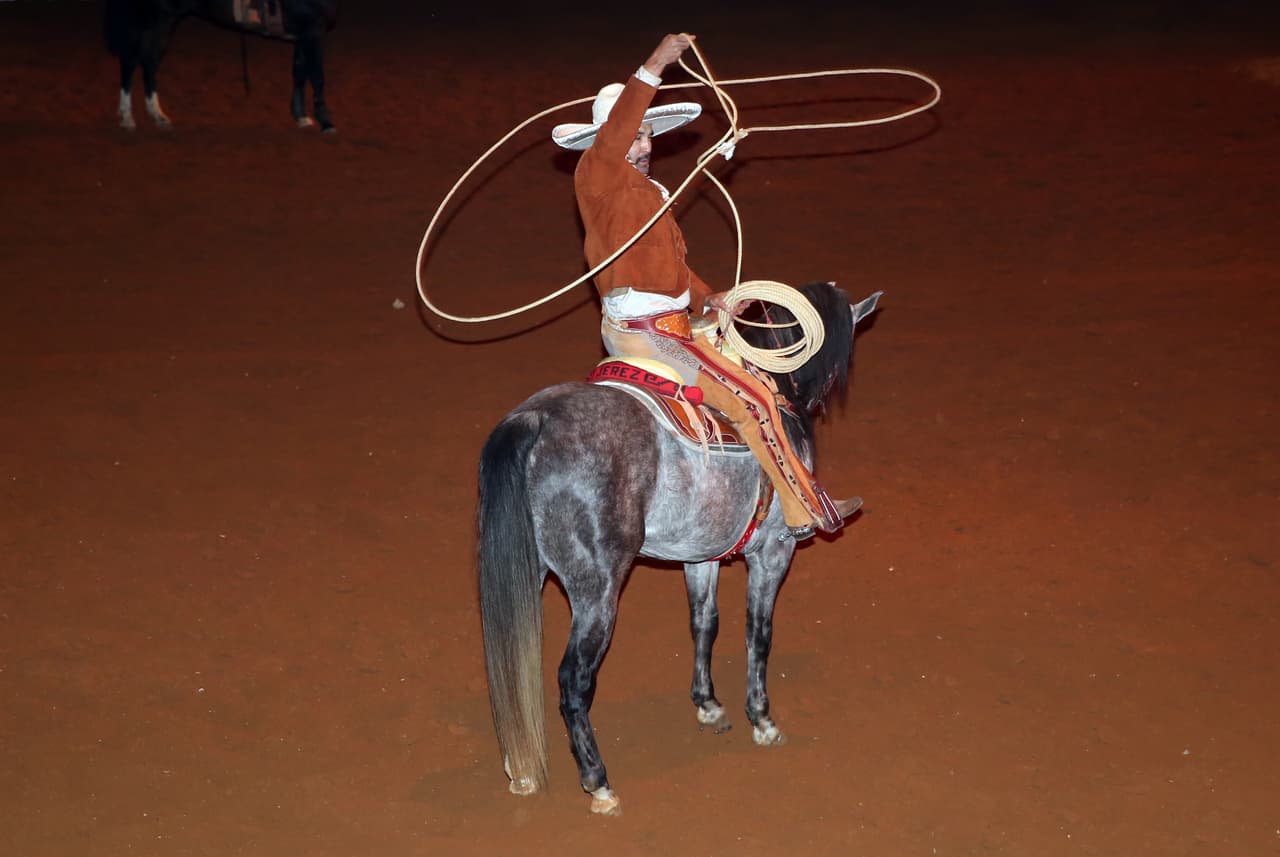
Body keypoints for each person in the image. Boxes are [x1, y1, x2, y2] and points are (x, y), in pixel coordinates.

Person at [551, 32, 860, 541]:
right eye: (633, 135)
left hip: (665, 320)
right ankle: (803, 510)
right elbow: (618, 129)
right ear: (607, 140)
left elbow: (665, 263)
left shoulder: (643, 193)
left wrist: (708, 297)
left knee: (745, 368)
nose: (643, 143)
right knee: (756, 402)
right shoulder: (599, 173)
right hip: (651, 332)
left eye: (648, 135)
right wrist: (655, 63)